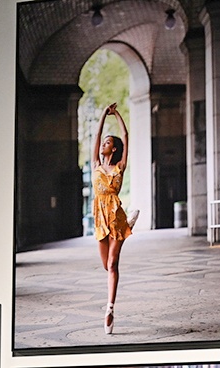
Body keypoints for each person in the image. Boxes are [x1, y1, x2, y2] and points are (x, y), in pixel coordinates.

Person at [92, 103, 140, 335]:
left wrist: (118, 114)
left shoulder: (120, 166)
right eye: (103, 142)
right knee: (105, 266)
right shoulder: (95, 164)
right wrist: (103, 114)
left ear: (115, 149)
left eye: (108, 143)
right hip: (100, 219)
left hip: (115, 218)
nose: (103, 144)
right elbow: (97, 134)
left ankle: (110, 309)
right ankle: (130, 224)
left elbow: (126, 135)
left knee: (113, 264)